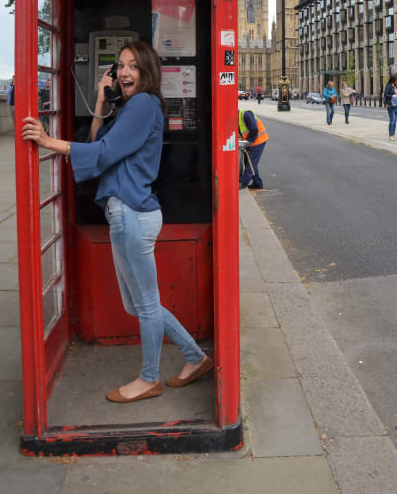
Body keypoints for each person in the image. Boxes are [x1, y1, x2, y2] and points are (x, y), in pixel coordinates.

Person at [22, 41, 212, 403]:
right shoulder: (130, 107)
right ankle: (195, 357)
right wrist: (99, 100)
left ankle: (149, 378)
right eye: (120, 66)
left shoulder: (143, 104)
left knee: (145, 304)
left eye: (133, 67)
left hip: (133, 214)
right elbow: (97, 141)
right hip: (127, 214)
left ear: (146, 72)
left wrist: (49, 141)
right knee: (140, 304)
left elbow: (103, 154)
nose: (124, 72)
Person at [238, 108, 269, 189]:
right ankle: (257, 183)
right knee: (248, 161)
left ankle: (244, 183)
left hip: (259, 140)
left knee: (251, 162)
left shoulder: (245, 114)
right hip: (251, 141)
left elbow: (254, 130)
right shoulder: (236, 119)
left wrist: (248, 142)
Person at [384, 75, 397, 141]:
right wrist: (392, 95)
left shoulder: (395, 86)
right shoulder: (388, 86)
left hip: (395, 104)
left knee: (394, 121)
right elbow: (385, 94)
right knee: (392, 120)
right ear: (393, 80)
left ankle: (393, 135)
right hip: (390, 105)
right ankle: (390, 135)